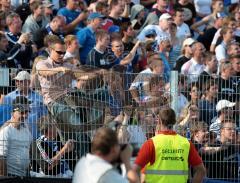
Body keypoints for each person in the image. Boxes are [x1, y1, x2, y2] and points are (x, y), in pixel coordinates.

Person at [133, 107, 206, 183]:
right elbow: (201, 171)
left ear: (159, 121)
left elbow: (135, 171)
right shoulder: (186, 143)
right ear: (174, 121)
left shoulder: (151, 143)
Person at [72, 127, 139, 183]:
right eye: (118, 145)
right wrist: (126, 162)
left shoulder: (82, 162)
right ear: (113, 149)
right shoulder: (106, 174)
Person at [0, 96, 32, 176]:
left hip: (25, 175)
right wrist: (5, 179)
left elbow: (27, 151)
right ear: (12, 113)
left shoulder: (26, 128)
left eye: (27, 112)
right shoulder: (6, 130)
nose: (25, 115)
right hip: (11, 175)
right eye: (21, 112)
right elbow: (1, 158)